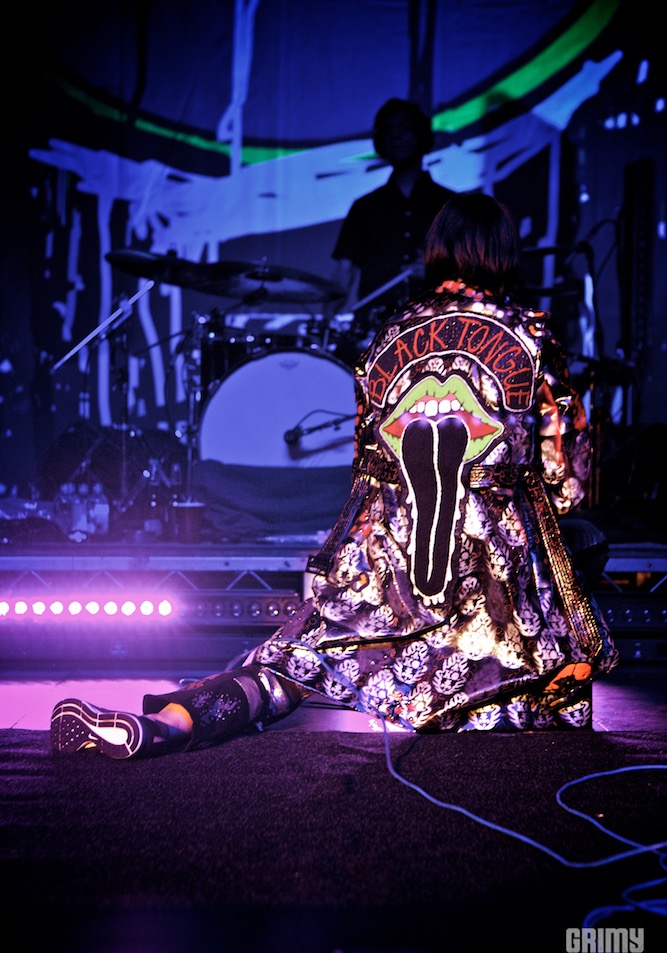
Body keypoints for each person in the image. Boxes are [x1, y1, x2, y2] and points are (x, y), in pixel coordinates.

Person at [50, 192, 619, 759]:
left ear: (437, 250)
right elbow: (563, 477)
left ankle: (166, 726)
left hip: (390, 560)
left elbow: (364, 463)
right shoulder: (530, 334)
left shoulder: (389, 335)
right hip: (490, 574)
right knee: (571, 572)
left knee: (290, 663)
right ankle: (476, 708)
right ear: (503, 253)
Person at [330, 98, 454, 340]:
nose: (396, 136)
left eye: (404, 127)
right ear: (380, 141)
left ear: (421, 135)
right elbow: (344, 272)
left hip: (438, 328)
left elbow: (472, 269)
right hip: (375, 330)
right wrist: (328, 318)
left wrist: (436, 270)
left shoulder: (451, 205)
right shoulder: (365, 207)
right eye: (389, 130)